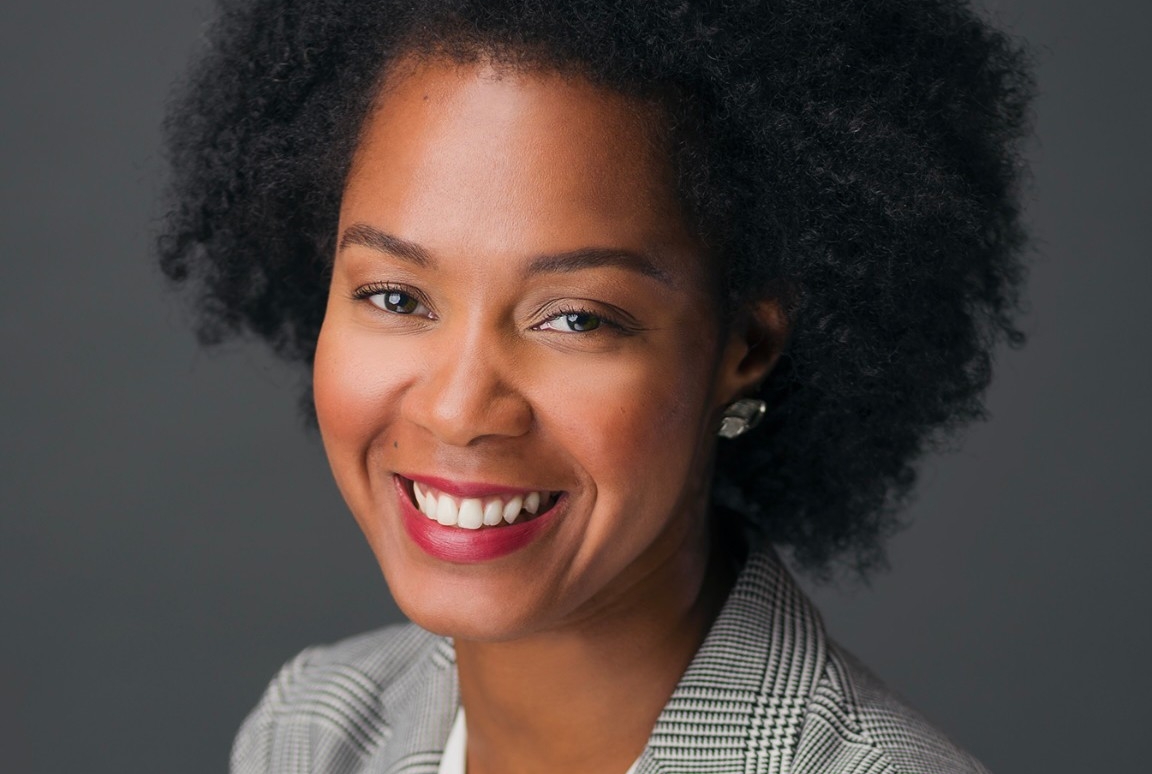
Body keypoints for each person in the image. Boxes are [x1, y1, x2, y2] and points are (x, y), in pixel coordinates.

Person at [159, 1, 1033, 771]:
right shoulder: (315, 733)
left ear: (746, 345)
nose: (459, 409)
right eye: (396, 296)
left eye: (576, 318)